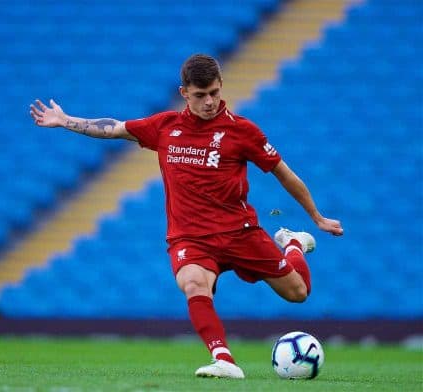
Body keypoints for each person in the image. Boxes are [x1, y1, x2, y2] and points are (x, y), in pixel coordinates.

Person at [29, 54, 343, 379]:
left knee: (298, 293)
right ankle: (223, 358)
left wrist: (316, 217)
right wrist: (66, 120)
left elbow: (284, 173)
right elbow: (114, 128)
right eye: (200, 95)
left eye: (214, 93)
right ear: (184, 93)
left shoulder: (242, 131)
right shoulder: (165, 127)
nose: (209, 102)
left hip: (240, 232)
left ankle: (294, 243)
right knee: (194, 284)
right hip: (191, 238)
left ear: (221, 87)